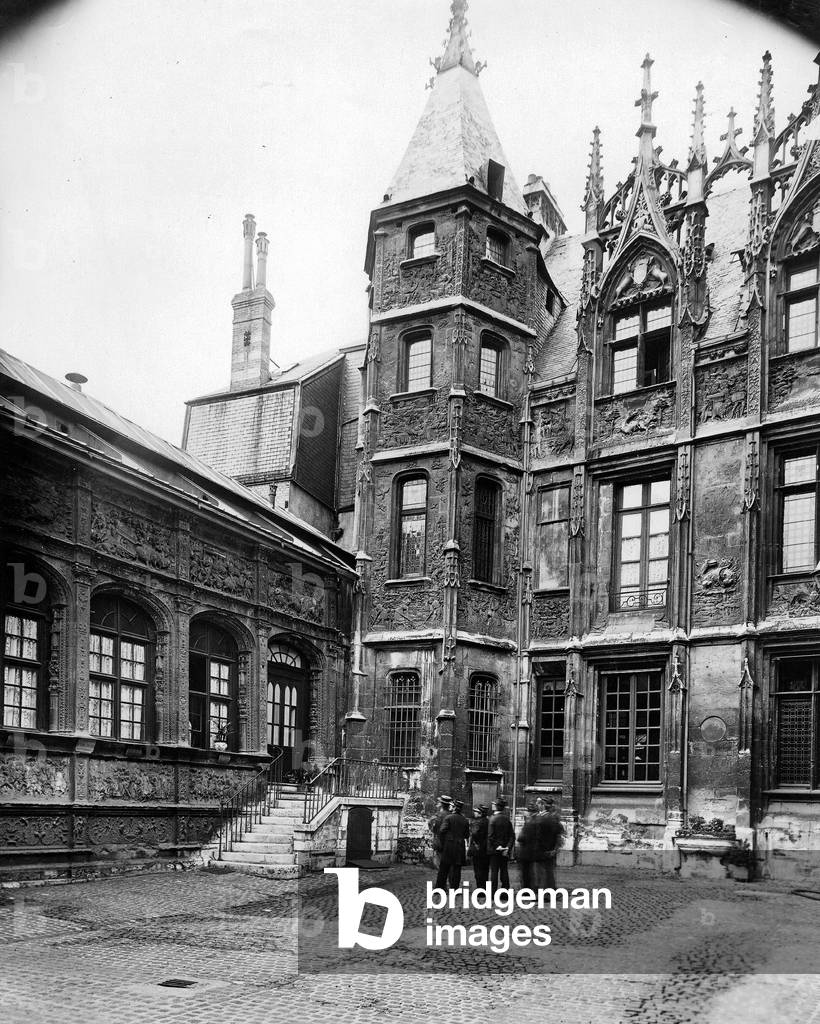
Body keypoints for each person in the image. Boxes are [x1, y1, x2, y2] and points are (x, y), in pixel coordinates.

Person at [435, 799, 470, 890]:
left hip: (449, 846)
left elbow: (442, 831)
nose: (450, 807)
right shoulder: (464, 820)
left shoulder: (448, 818)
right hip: (460, 847)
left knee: (444, 868)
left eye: (451, 805)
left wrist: (444, 841)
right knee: (457, 869)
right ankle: (455, 888)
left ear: (454, 807)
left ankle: (439, 888)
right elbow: (467, 835)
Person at [533, 796, 565, 888]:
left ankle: (546, 892)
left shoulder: (549, 817)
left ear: (543, 805)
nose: (537, 804)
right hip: (546, 848)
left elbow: (557, 834)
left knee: (545, 871)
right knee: (546, 871)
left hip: (545, 848)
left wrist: (554, 848)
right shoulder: (547, 816)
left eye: (538, 803)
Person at [487, 797, 514, 892]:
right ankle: (505, 891)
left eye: (493, 804)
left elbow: (490, 836)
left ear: (496, 807)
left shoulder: (492, 819)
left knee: (494, 872)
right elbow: (512, 836)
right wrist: (507, 848)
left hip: (495, 850)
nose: (492, 805)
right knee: (504, 871)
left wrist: (496, 846)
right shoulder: (507, 819)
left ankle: (493, 892)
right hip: (505, 850)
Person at [516, 805, 538, 890]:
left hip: (526, 851)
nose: (525, 812)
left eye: (527, 811)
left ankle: (526, 890)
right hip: (532, 851)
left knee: (526, 873)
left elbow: (521, 838)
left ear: (530, 812)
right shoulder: (535, 822)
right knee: (530, 872)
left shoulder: (530, 823)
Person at [428, 794, 452, 869]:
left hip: (440, 841)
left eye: (439, 802)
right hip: (449, 842)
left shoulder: (439, 815)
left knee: (440, 864)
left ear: (441, 804)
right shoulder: (451, 815)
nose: (437, 803)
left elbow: (434, 828)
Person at [469, 805, 490, 889]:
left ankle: (480, 889)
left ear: (480, 813)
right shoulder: (488, 821)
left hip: (477, 849)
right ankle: (484, 888)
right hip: (486, 849)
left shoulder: (477, 822)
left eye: (476, 812)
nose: (474, 813)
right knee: (485, 870)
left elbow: (474, 834)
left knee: (478, 870)